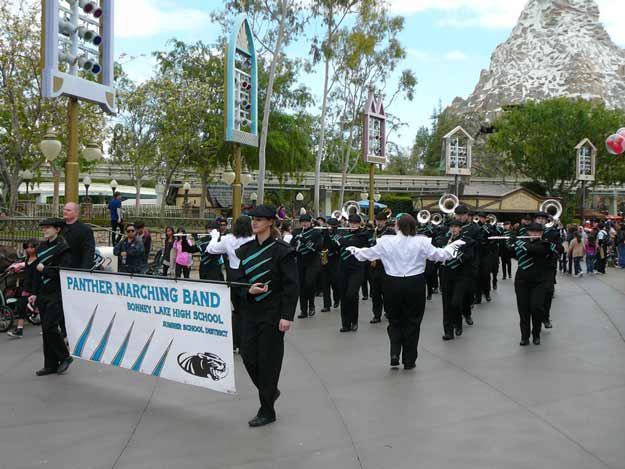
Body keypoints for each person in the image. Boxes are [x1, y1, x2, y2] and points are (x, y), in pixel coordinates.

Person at [349, 214, 464, 369]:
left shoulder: (386, 241)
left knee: (394, 320)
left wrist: (354, 249)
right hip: (414, 283)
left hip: (392, 283)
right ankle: (409, 360)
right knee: (413, 322)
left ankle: (395, 353)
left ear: (397, 226)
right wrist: (453, 246)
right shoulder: (422, 241)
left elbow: (367, 254)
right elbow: (439, 255)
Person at [234, 205, 299, 427]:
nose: (255, 223)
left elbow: (292, 285)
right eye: (253, 219)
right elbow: (238, 280)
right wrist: (247, 290)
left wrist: (287, 316)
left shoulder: (283, 250)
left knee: (268, 360)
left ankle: (267, 409)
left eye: (260, 219)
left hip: (273, 312)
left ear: (270, 222)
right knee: (248, 355)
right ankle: (270, 390)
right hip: (250, 310)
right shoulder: (246, 249)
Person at [206, 215, 255, 353]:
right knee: (249, 311)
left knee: (237, 311)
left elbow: (211, 249)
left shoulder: (228, 239)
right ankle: (247, 343)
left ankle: (235, 343)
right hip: (249, 277)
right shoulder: (254, 239)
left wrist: (215, 236)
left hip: (234, 277)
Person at [31, 218, 73, 376]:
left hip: (57, 291)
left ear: (57, 229)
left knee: (50, 326)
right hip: (43, 291)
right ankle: (50, 364)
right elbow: (35, 270)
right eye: (44, 228)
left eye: (48, 228)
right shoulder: (41, 247)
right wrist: (33, 293)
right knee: (45, 329)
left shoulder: (63, 248)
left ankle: (65, 357)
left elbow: (63, 271)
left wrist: (45, 270)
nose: (45, 230)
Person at [509, 223, 552, 346]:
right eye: (532, 232)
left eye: (538, 232)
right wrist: (509, 242)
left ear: (541, 233)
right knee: (523, 310)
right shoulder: (521, 244)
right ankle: (524, 336)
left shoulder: (544, 244)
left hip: (538, 282)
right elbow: (510, 253)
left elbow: (533, 250)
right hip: (521, 282)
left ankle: (536, 334)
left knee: (536, 307)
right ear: (528, 233)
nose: (535, 234)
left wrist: (517, 242)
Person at [440, 220, 475, 340]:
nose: (453, 229)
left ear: (460, 229)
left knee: (455, 302)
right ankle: (448, 331)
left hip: (460, 275)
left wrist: (455, 253)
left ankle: (458, 323)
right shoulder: (444, 240)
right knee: (446, 304)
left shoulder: (466, 241)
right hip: (446, 274)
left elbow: (469, 256)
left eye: (456, 227)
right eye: (451, 227)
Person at [334, 213, 370, 332]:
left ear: (360, 224)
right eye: (351, 223)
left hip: (356, 268)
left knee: (352, 294)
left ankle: (354, 321)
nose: (353, 225)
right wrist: (329, 234)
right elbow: (332, 247)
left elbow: (353, 244)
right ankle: (345, 324)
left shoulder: (363, 234)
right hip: (343, 267)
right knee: (344, 295)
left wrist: (341, 239)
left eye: (355, 223)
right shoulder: (342, 233)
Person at [291, 214, 322, 318]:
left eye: (306, 221)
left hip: (312, 261)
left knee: (309, 283)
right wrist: (296, 241)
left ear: (310, 222)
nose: (304, 223)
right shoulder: (296, 232)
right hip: (300, 261)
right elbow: (291, 246)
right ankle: (303, 310)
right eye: (302, 222)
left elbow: (317, 247)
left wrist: (305, 241)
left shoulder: (316, 232)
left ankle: (311, 305)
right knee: (302, 286)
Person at [7, 239, 39, 339]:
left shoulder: (39, 261)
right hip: (26, 287)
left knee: (43, 308)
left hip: (36, 288)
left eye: (31, 247)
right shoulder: (27, 260)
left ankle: (50, 329)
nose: (29, 249)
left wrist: (35, 292)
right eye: (26, 247)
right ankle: (19, 329)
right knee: (21, 306)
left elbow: (36, 278)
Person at [369, 211, 395, 323]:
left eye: (381, 221)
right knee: (375, 292)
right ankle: (376, 315)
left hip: (386, 265)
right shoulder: (373, 231)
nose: (378, 223)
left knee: (387, 292)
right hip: (375, 265)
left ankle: (389, 312)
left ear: (385, 221)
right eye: (377, 221)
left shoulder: (390, 232)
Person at [61, 202, 95, 269]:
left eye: (68, 210)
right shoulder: (58, 226)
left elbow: (88, 252)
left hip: (75, 268)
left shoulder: (85, 230)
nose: (65, 212)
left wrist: (84, 271)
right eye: (64, 209)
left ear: (76, 213)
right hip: (58, 268)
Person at [321, 218, 342, 312]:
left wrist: (330, 236)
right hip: (324, 258)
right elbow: (321, 244)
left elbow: (336, 245)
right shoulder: (323, 233)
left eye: (330, 225)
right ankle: (326, 305)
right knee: (325, 283)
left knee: (335, 282)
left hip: (335, 259)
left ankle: (337, 299)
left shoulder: (338, 234)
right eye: (327, 225)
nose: (328, 227)